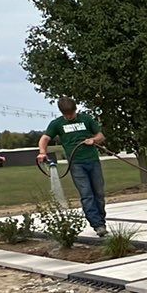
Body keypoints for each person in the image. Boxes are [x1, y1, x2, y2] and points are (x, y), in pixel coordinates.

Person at [38, 97, 108, 235]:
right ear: (62, 112)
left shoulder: (86, 119)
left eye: (71, 113)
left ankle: (101, 220)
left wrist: (93, 140)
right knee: (86, 194)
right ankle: (98, 225)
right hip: (76, 164)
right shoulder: (57, 124)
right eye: (66, 114)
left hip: (93, 161)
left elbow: (101, 135)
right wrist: (42, 152)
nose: (69, 116)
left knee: (99, 193)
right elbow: (45, 138)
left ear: (75, 110)